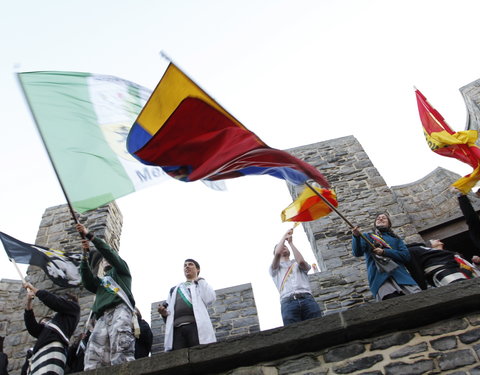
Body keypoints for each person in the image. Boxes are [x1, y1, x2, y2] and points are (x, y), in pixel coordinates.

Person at [76, 223, 136, 369]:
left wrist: (89, 235)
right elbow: (87, 281)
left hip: (120, 309)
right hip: (102, 316)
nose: (106, 259)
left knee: (121, 346)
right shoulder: (102, 282)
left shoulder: (122, 270)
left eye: (107, 258)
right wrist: (85, 256)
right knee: (94, 353)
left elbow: (108, 252)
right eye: (104, 259)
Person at [352, 213, 421, 301]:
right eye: (378, 218)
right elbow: (357, 253)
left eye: (384, 218)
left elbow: (406, 256)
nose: (380, 219)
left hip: (402, 276)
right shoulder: (367, 236)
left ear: (389, 223)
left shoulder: (396, 239)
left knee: (417, 300)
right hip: (380, 279)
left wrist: (385, 252)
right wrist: (356, 236)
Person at [157, 259, 216, 351]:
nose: (187, 266)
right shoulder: (174, 290)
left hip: (195, 328)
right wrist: (163, 313)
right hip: (177, 330)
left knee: (199, 354)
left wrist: (200, 280)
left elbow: (210, 298)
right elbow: (168, 311)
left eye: (190, 264)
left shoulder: (200, 285)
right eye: (185, 265)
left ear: (198, 269)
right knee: (178, 359)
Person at [23, 282, 80, 375]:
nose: (62, 301)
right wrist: (28, 302)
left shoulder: (74, 309)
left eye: (65, 300)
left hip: (54, 348)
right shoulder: (51, 325)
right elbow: (32, 328)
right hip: (38, 354)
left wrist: (34, 289)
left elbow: (55, 302)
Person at [270, 228, 322, 326]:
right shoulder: (274, 269)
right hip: (288, 302)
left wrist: (290, 243)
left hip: (307, 298)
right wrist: (284, 236)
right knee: (294, 332)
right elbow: (277, 253)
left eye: (285, 246)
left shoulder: (297, 264)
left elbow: (302, 262)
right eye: (281, 246)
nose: (283, 247)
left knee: (317, 326)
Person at [407, 239, 479, 288]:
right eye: (433, 240)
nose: (437, 239)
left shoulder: (454, 255)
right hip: (449, 275)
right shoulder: (428, 257)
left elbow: (472, 269)